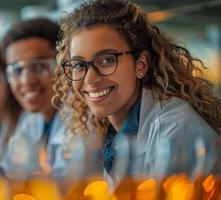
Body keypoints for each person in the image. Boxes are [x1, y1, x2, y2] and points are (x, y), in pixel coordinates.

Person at [54, 0, 221, 186]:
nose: (90, 78)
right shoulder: (112, 131)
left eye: (107, 60)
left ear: (140, 64)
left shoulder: (174, 131)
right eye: (78, 64)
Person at [0, 18, 92, 183]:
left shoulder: (86, 119)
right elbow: (8, 177)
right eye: (17, 70)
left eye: (39, 66)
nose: (27, 81)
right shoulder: (30, 122)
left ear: (66, 65)